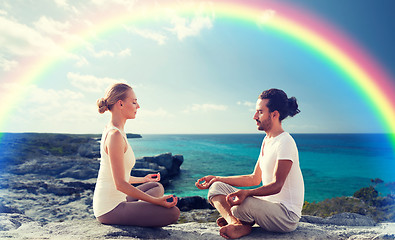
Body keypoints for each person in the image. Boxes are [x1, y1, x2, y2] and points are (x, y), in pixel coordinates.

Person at [196, 88, 304, 239]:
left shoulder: (285, 141)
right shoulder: (267, 140)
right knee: (216, 188)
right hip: (266, 207)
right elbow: (254, 178)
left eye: (260, 112)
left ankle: (240, 220)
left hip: (286, 216)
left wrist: (248, 193)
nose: (254, 116)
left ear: (274, 114)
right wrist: (217, 178)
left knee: (240, 206)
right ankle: (236, 224)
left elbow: (277, 184)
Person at [93, 83, 180, 227]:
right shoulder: (114, 135)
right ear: (120, 104)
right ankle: (138, 211)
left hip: (120, 198)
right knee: (173, 213)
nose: (138, 106)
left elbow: (118, 176)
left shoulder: (115, 130)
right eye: (134, 102)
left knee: (156, 186)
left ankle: (138, 209)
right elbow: (120, 184)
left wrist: (143, 179)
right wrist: (156, 202)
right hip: (109, 208)